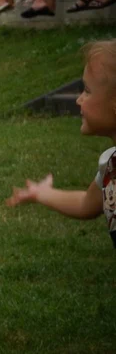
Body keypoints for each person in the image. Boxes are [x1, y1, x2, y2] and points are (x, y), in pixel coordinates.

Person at [7, 40, 116, 245]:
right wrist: (42, 194)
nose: (78, 99)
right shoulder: (110, 165)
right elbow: (85, 204)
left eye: (87, 91)